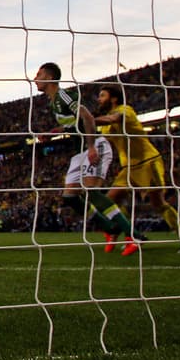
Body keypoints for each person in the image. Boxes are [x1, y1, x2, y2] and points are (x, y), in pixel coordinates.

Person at [33, 63, 137, 255]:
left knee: (92, 192)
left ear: (49, 78)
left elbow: (87, 117)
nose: (35, 78)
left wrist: (90, 147)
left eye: (38, 74)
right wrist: (55, 132)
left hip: (93, 145)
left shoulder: (64, 96)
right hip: (78, 151)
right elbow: (76, 124)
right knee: (70, 197)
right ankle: (110, 229)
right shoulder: (53, 102)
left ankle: (133, 236)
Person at [94, 84, 180, 254]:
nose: (99, 99)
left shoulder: (125, 110)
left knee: (158, 204)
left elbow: (113, 119)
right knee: (109, 201)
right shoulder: (105, 122)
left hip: (147, 162)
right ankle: (133, 235)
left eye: (102, 95)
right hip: (128, 168)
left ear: (113, 98)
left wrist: (89, 119)